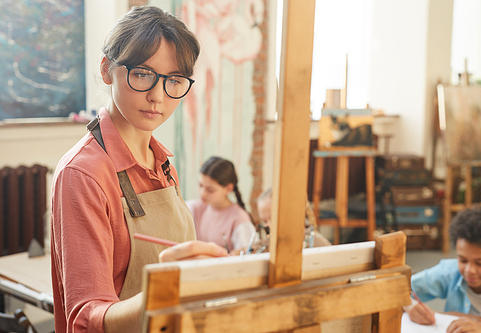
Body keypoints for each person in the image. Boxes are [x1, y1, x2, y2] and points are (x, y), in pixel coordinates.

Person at [50, 6, 228, 333]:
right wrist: (164, 291)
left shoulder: (162, 163)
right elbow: (86, 320)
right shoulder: (83, 174)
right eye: (143, 74)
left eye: (174, 80)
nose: (157, 96)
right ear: (107, 70)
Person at [405, 207, 481, 332]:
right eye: (463, 260)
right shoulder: (450, 271)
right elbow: (397, 288)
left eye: (480, 263)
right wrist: (409, 305)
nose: (469, 270)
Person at [186, 156, 255, 254]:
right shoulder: (195, 208)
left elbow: (246, 260)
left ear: (228, 189)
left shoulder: (239, 219)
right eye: (200, 185)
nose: (202, 193)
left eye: (210, 190)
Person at [253, 187, 332, 252]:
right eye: (264, 221)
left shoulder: (316, 244)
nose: (269, 225)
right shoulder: (265, 246)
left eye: (273, 219)